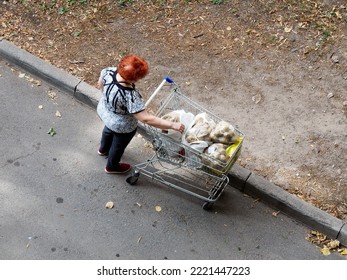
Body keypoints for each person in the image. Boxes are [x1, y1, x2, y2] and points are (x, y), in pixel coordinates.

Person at [96, 54, 185, 174]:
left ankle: (103, 149)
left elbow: (100, 85)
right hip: (121, 125)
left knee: (108, 130)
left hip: (106, 112)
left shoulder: (108, 71)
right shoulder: (129, 95)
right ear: (133, 79)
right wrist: (172, 125)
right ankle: (112, 166)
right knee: (118, 145)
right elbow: (146, 118)